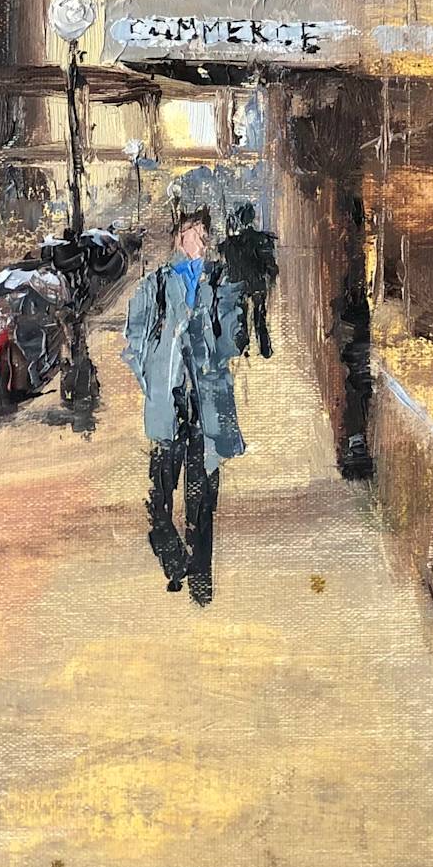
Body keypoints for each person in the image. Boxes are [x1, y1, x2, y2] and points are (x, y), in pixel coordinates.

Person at [122, 206, 244, 605]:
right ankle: (173, 559)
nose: (202, 240)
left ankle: (201, 584)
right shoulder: (156, 284)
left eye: (206, 233)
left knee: (202, 498)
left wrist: (215, 333)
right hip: (168, 404)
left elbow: (233, 339)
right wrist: (153, 379)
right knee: (159, 496)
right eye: (195, 232)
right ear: (179, 237)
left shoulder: (220, 282)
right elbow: (134, 340)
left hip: (206, 405)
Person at [219, 200, 279, 359]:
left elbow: (225, 263)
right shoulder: (260, 239)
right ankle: (264, 347)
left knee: (241, 314)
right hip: (256, 284)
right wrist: (272, 273)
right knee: (259, 315)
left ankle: (241, 344)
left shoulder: (231, 243)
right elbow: (270, 263)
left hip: (239, 285)